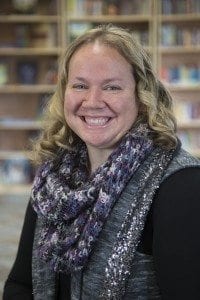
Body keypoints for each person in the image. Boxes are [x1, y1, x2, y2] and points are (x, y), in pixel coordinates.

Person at [3, 24, 200, 300]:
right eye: (80, 85)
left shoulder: (181, 185)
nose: (92, 101)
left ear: (141, 96)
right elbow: (20, 285)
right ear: (64, 92)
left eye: (112, 87)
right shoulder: (54, 178)